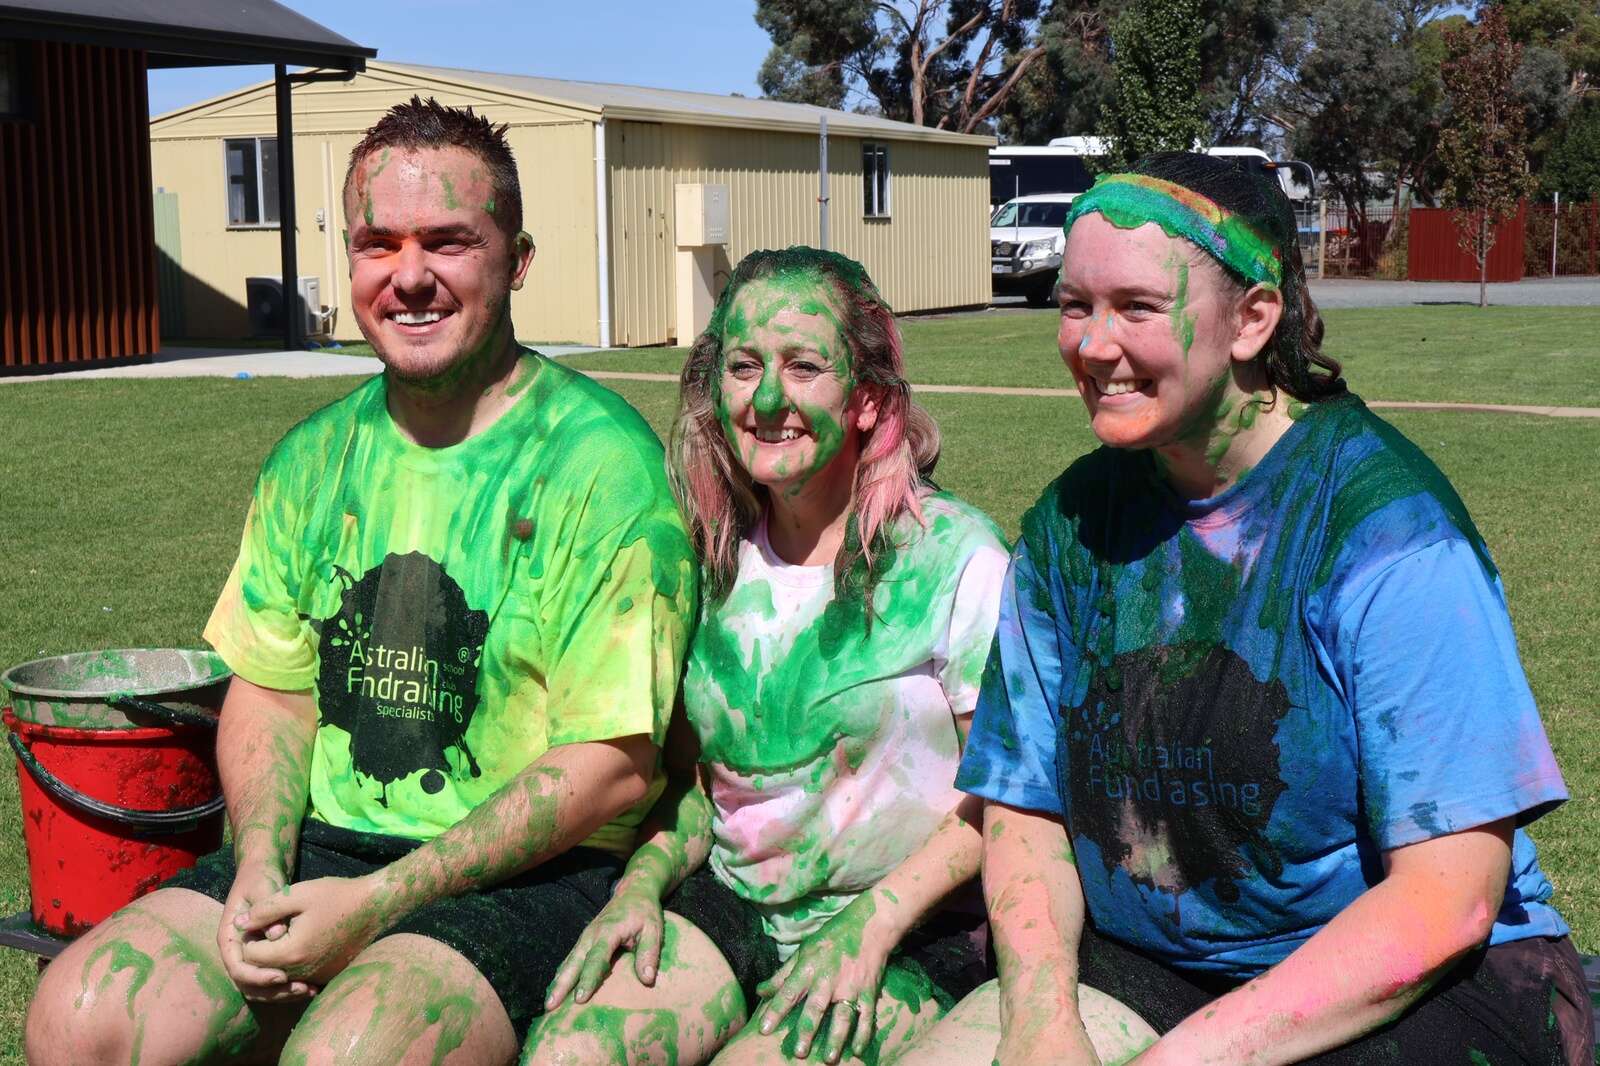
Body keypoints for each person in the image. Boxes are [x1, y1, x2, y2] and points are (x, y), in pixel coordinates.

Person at [26, 96, 697, 1065]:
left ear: (516, 260)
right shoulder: (312, 459)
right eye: (378, 243)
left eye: (449, 242)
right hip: (325, 846)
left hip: (538, 872)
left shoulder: (601, 466)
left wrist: (381, 902)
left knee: (354, 1051)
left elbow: (614, 766)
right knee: (80, 1009)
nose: (410, 276)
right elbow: (270, 690)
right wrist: (259, 862)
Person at [933, 152, 1594, 1066]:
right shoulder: (1069, 526)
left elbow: (1451, 898)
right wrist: (1041, 1022)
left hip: (1434, 980)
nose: (1091, 344)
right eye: (1074, 304)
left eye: (1135, 306)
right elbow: (1024, 809)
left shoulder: (1387, 533)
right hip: (1157, 961)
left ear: (1252, 319)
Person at [525, 248, 1153, 1066]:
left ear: (865, 399)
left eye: (804, 366)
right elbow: (694, 786)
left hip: (912, 930)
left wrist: (874, 923)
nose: (769, 398)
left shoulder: (954, 561)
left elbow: (1007, 800)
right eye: (744, 367)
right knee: (569, 1052)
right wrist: (639, 885)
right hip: (737, 903)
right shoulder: (711, 558)